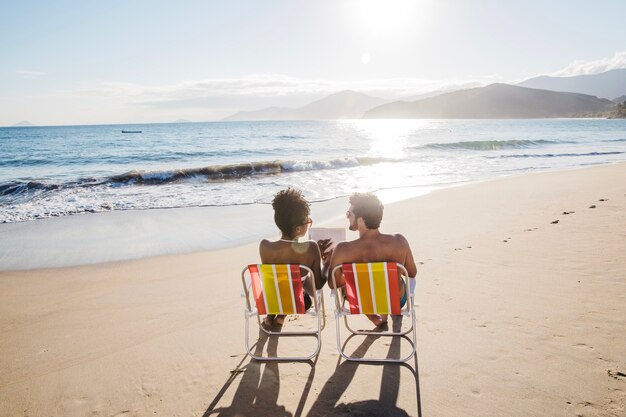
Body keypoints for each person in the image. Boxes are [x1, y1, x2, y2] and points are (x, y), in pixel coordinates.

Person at [327, 192, 417, 327]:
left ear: (361, 220)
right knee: (393, 278)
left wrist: (332, 265)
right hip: (395, 301)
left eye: (349, 214)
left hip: (362, 302)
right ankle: (385, 310)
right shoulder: (399, 241)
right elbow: (412, 273)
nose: (347, 217)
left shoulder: (343, 250)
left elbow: (332, 284)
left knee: (350, 281)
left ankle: (374, 316)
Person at [259, 188, 331, 327]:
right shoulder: (311, 248)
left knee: (280, 281)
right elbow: (318, 285)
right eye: (307, 222)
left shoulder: (265, 246)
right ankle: (281, 316)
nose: (309, 223)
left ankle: (272, 316)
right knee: (302, 280)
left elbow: (272, 279)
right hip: (298, 303)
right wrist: (326, 263)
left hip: (272, 300)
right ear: (298, 229)